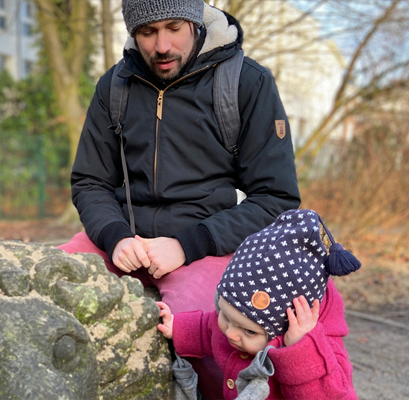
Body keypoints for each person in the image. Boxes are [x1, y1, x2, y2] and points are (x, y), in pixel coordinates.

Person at [58, 0, 300, 395]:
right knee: (45, 288)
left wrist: (187, 245)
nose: (162, 46)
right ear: (133, 33)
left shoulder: (247, 81)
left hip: (204, 245)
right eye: (148, 32)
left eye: (174, 27)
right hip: (120, 237)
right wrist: (115, 235)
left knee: (202, 338)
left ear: (195, 21)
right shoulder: (114, 86)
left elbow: (275, 199)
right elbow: (90, 181)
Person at [157, 209, 361, 400]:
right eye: (226, 316)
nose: (230, 333)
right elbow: (207, 329)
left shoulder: (320, 351)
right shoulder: (238, 321)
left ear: (289, 324)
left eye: (250, 332)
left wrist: (300, 349)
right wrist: (177, 326)